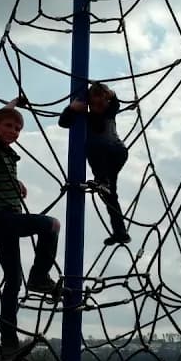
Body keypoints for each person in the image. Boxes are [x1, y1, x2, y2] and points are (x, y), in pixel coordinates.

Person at [0, 106, 61, 355]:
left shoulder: (9, 156)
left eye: (18, 128)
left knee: (13, 280)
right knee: (51, 224)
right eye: (8, 126)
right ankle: (39, 276)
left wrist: (16, 182)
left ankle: (8, 342)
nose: (13, 131)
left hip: (7, 220)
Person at [59, 81, 130, 245]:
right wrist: (71, 108)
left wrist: (111, 95)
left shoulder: (110, 112)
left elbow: (115, 104)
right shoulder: (85, 117)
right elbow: (63, 123)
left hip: (116, 153)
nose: (100, 106)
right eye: (95, 103)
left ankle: (103, 181)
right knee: (110, 195)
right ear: (89, 103)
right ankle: (120, 232)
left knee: (93, 146)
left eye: (103, 102)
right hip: (103, 156)